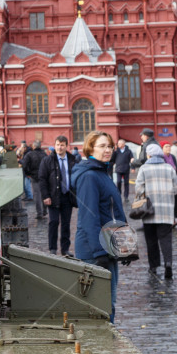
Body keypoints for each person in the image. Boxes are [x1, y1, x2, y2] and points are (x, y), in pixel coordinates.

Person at [73, 131, 128, 323]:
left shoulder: (102, 172)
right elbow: (89, 217)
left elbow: (112, 212)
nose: (108, 150)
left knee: (108, 303)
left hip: (107, 246)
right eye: (102, 146)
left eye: (110, 146)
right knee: (100, 307)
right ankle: (103, 347)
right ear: (90, 148)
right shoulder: (90, 176)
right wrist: (99, 253)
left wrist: (124, 247)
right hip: (94, 250)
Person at [134, 144, 177, 279]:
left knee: (151, 240)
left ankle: (153, 267)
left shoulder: (144, 168)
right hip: (166, 212)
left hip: (149, 212)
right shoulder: (169, 168)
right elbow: (176, 189)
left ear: (148, 155)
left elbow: (138, 189)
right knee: (166, 239)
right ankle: (168, 263)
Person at [39, 135, 77, 256]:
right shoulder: (47, 160)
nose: (59, 147)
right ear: (54, 145)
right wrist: (45, 196)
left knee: (66, 224)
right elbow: (42, 179)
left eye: (62, 145)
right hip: (53, 196)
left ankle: (65, 249)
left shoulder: (72, 159)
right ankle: (53, 249)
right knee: (54, 222)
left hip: (67, 197)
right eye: (57, 145)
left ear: (66, 146)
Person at [20, 141, 47, 219]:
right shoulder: (44, 154)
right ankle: (45, 211)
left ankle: (39, 213)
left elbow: (24, 165)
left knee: (37, 194)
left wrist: (28, 173)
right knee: (44, 193)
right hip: (44, 176)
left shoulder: (30, 154)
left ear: (34, 146)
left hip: (34, 176)